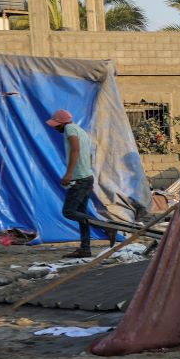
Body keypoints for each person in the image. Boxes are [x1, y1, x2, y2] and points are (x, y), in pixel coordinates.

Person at [47, 107, 117, 257]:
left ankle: (106, 227)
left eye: (57, 125)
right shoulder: (81, 131)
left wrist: (69, 173)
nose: (55, 128)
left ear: (62, 123)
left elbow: (75, 150)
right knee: (81, 215)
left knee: (69, 212)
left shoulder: (70, 129)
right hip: (86, 178)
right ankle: (85, 248)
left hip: (79, 179)